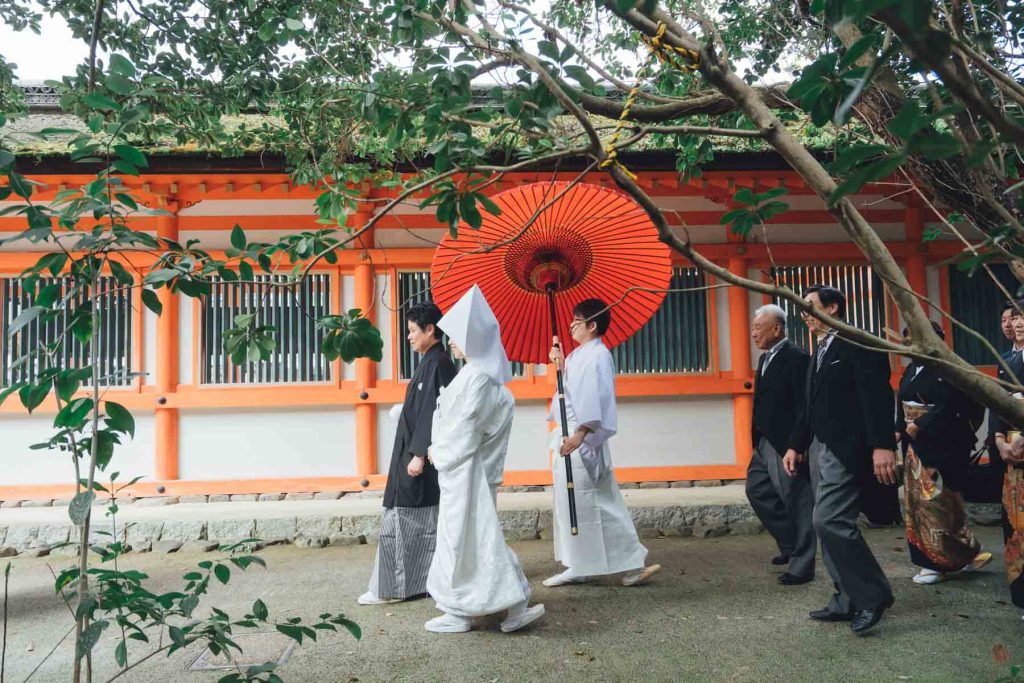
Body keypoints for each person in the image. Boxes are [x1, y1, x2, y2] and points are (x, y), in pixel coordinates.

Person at [423, 285, 545, 634]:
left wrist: (438, 451)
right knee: (476, 537)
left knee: (465, 539)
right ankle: (507, 603)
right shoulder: (477, 374)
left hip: (465, 469)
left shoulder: (478, 377)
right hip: (464, 469)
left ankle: (464, 608)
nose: (451, 344)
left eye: (457, 337)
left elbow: (467, 427)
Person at [784, 285, 896, 636]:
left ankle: (872, 596)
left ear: (833, 308)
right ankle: (846, 598)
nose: (804, 314)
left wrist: (882, 445)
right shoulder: (820, 349)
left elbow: (877, 396)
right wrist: (796, 444)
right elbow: (809, 405)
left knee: (830, 520)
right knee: (825, 524)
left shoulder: (860, 342)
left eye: (810, 306)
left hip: (848, 447)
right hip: (820, 446)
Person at [543, 298, 661, 588]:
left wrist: (582, 433)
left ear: (592, 325)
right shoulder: (575, 356)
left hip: (583, 439)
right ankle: (577, 564)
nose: (570, 325)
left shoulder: (598, 356)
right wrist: (559, 365)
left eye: (576, 320)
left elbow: (597, 399)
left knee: (602, 504)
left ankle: (633, 564)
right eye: (570, 320)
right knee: (571, 505)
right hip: (568, 436)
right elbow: (568, 394)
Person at [359, 302, 457, 606]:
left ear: (430, 330)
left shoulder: (440, 362)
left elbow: (434, 411)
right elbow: (422, 407)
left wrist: (418, 454)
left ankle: (396, 588)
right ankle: (408, 584)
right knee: (407, 520)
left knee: (408, 521)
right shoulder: (430, 361)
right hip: (412, 453)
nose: (409, 337)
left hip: (418, 458)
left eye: (413, 331)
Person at [895, 321, 991, 585]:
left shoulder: (948, 368)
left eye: (915, 338)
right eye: (907, 339)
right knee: (919, 502)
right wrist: (898, 428)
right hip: (915, 440)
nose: (910, 344)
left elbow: (953, 404)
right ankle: (964, 554)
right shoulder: (912, 368)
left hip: (943, 442)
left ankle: (935, 563)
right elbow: (901, 402)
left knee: (937, 502)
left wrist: (920, 424)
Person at [745, 304, 815, 586]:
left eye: (758, 328)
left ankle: (803, 564)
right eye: (752, 329)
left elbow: (804, 407)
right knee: (757, 490)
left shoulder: (797, 357)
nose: (753, 334)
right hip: (764, 440)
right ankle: (788, 544)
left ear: (777, 328)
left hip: (786, 444)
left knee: (797, 501)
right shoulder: (766, 359)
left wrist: (796, 445)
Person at [991, 303, 1024, 615]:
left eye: (1019, 317)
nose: (1016, 323)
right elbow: (997, 403)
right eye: (1013, 318)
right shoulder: (1009, 359)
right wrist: (999, 440)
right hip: (1013, 451)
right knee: (1015, 522)